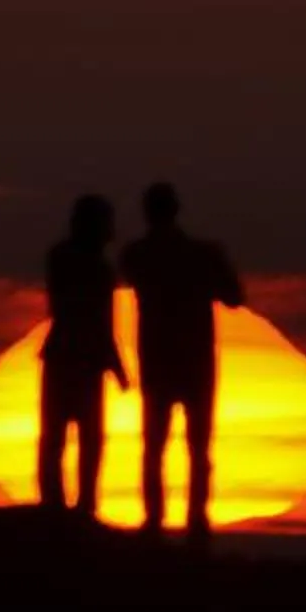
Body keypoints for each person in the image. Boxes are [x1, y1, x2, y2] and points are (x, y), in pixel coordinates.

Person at [119, 183, 247, 537]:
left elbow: (233, 296)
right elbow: (235, 296)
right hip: (194, 362)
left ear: (147, 212)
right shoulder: (203, 254)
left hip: (160, 361)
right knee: (198, 447)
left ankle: (155, 523)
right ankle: (195, 523)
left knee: (155, 446)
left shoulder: (136, 254)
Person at [38, 194, 129, 520]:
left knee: (75, 436)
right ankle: (65, 505)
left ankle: (72, 504)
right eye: (106, 223)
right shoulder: (89, 265)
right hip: (77, 355)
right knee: (70, 435)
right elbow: (97, 318)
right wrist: (116, 364)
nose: (111, 231)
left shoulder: (68, 258)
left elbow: (100, 320)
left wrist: (114, 362)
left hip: (74, 354)